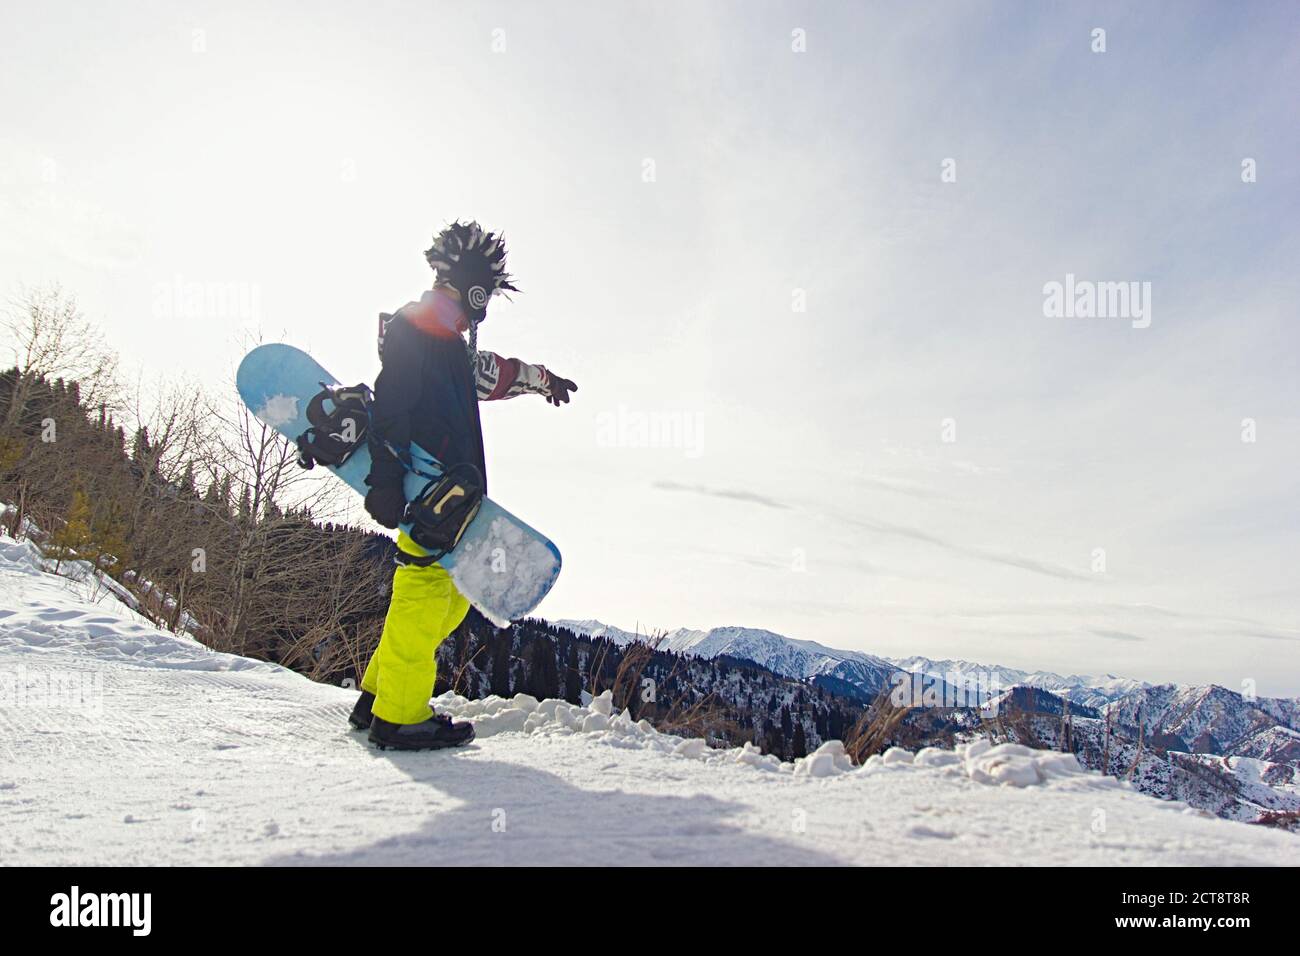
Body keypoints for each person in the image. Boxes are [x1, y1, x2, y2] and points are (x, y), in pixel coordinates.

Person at [349, 221, 577, 750]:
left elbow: (491, 373)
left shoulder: (446, 342)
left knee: (450, 599)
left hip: (452, 495)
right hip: (425, 490)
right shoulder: (414, 329)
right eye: (487, 293)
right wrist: (386, 480)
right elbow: (392, 405)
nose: (486, 306)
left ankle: (379, 697)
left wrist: (543, 380)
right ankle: (399, 718)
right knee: (425, 594)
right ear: (474, 287)